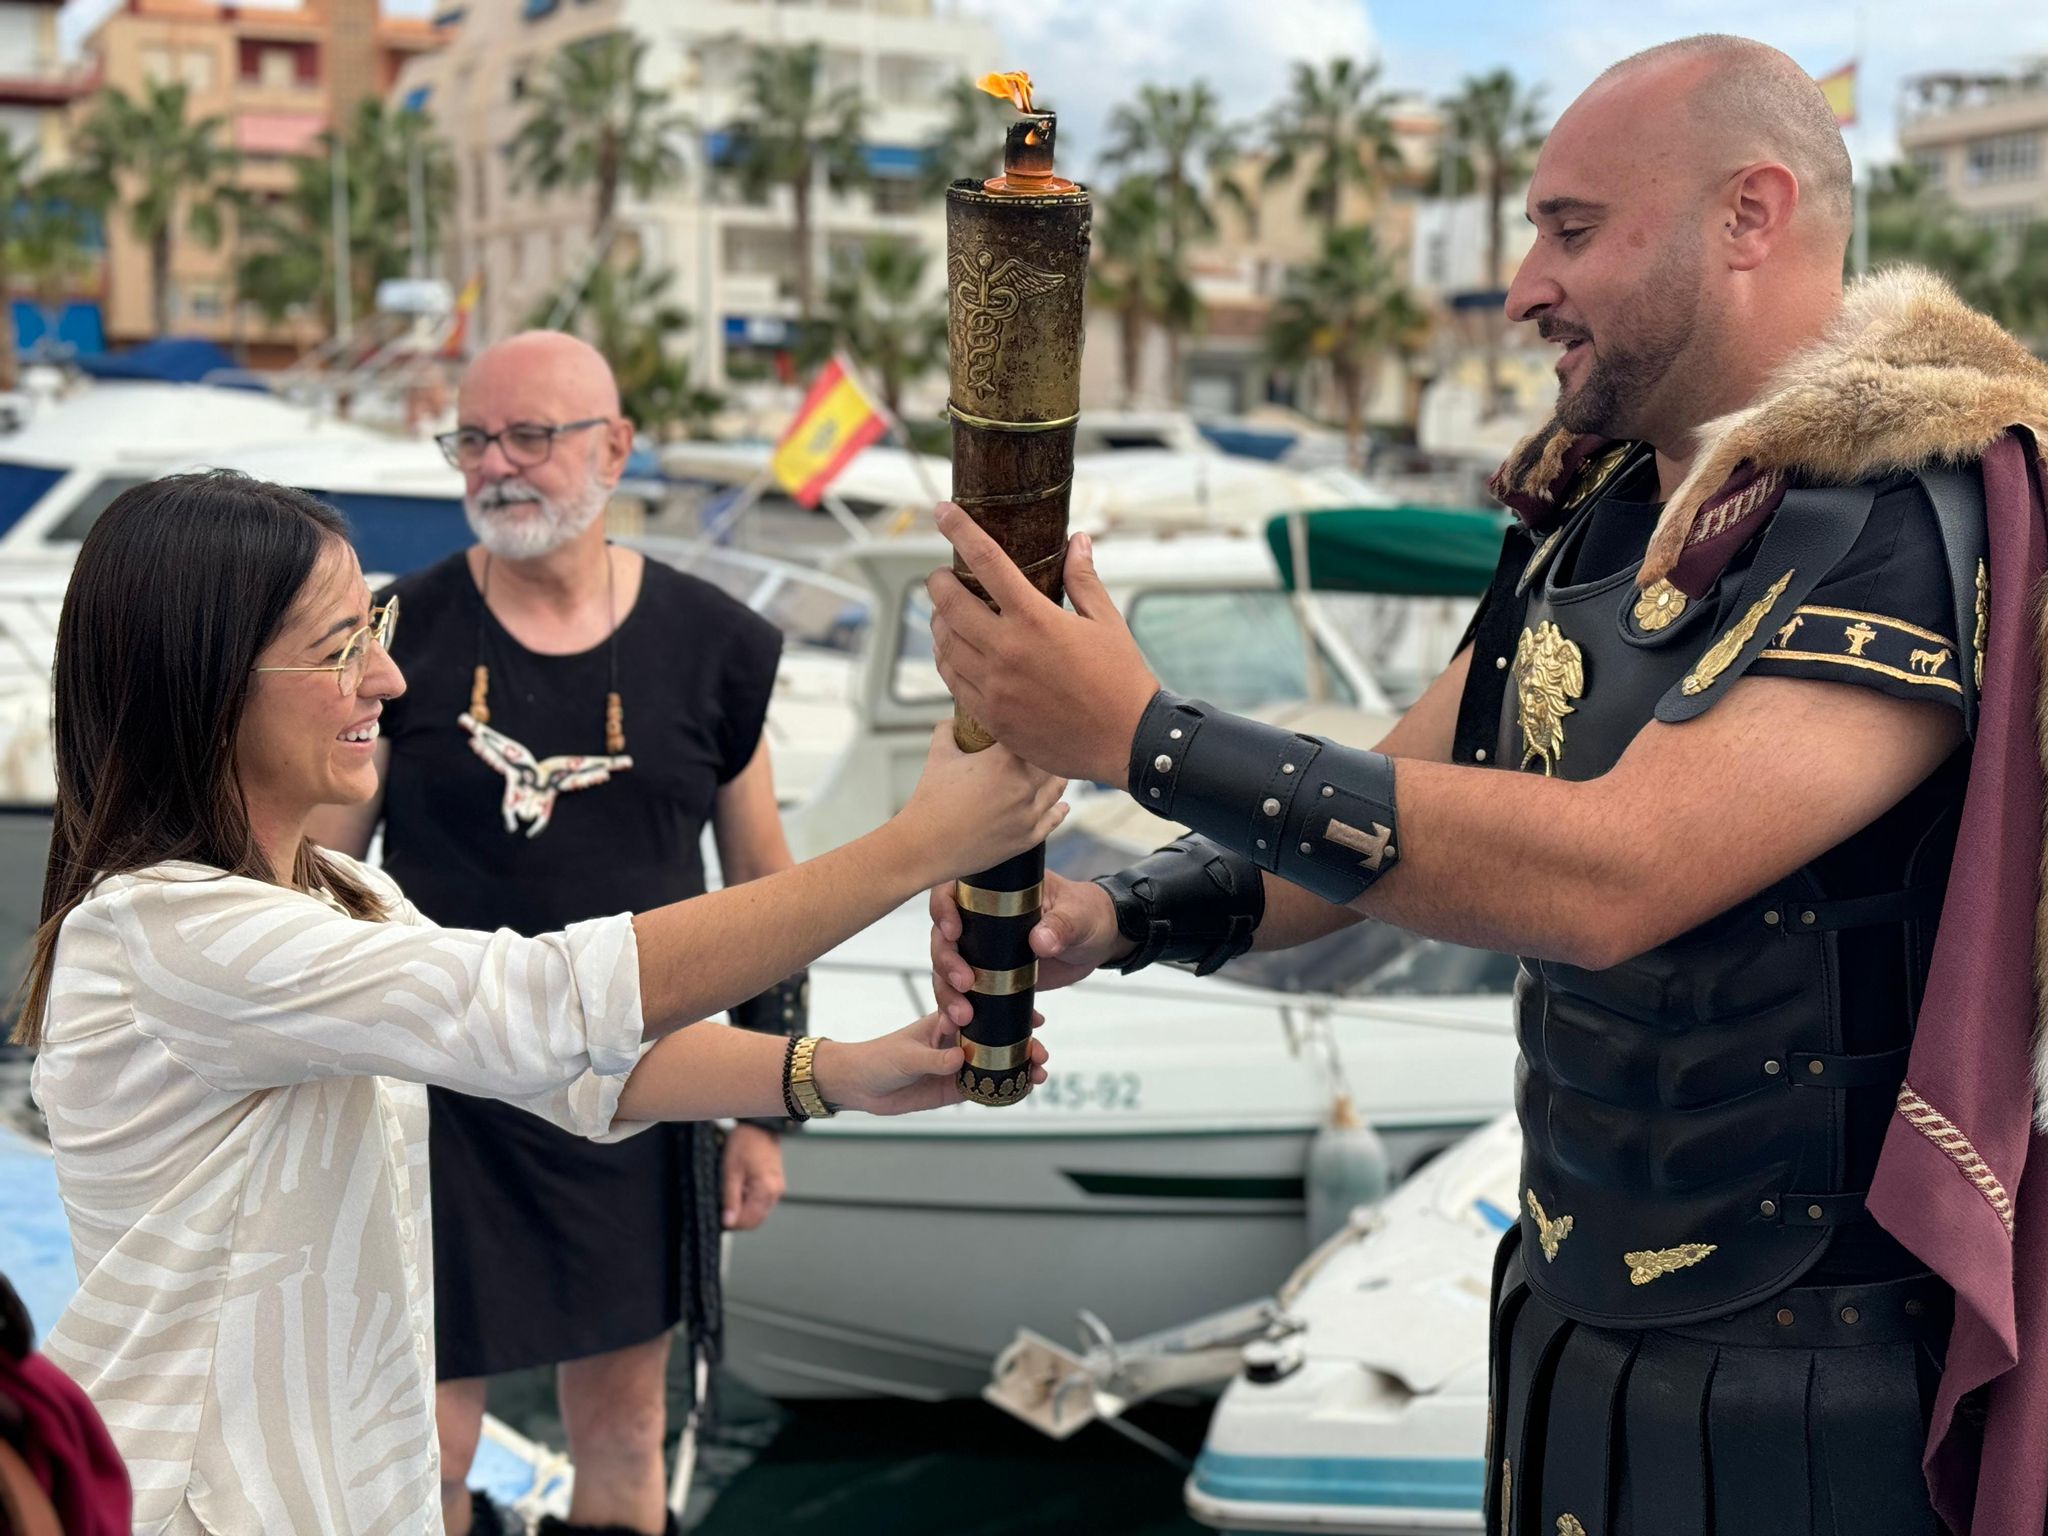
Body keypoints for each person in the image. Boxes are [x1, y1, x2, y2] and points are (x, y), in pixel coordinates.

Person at [927, 35, 2048, 1536]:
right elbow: (1382, 808)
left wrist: (1144, 734)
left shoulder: (1913, 521)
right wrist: (1109, 916)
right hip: (1562, 1325)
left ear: (1750, 214)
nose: (1526, 285)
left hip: (1818, 1388)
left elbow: (1616, 876)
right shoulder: (1588, 522)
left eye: (1571, 229)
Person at [19, 469, 1060, 1535]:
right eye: (340, 645)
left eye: (372, 625)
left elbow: (569, 1064)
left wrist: (834, 1072)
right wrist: (918, 846)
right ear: (205, 683)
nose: (384, 674)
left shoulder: (346, 895)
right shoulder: (166, 935)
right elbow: (541, 1004)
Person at [308, 331, 802, 1536]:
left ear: (616, 450)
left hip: (637, 1083)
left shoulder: (715, 646)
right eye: (472, 439)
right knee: (424, 1443)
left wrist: (760, 1107)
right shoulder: (396, 634)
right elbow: (321, 874)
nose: (497, 465)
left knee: (625, 1430)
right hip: (436, 1095)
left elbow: (761, 885)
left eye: (530, 436)